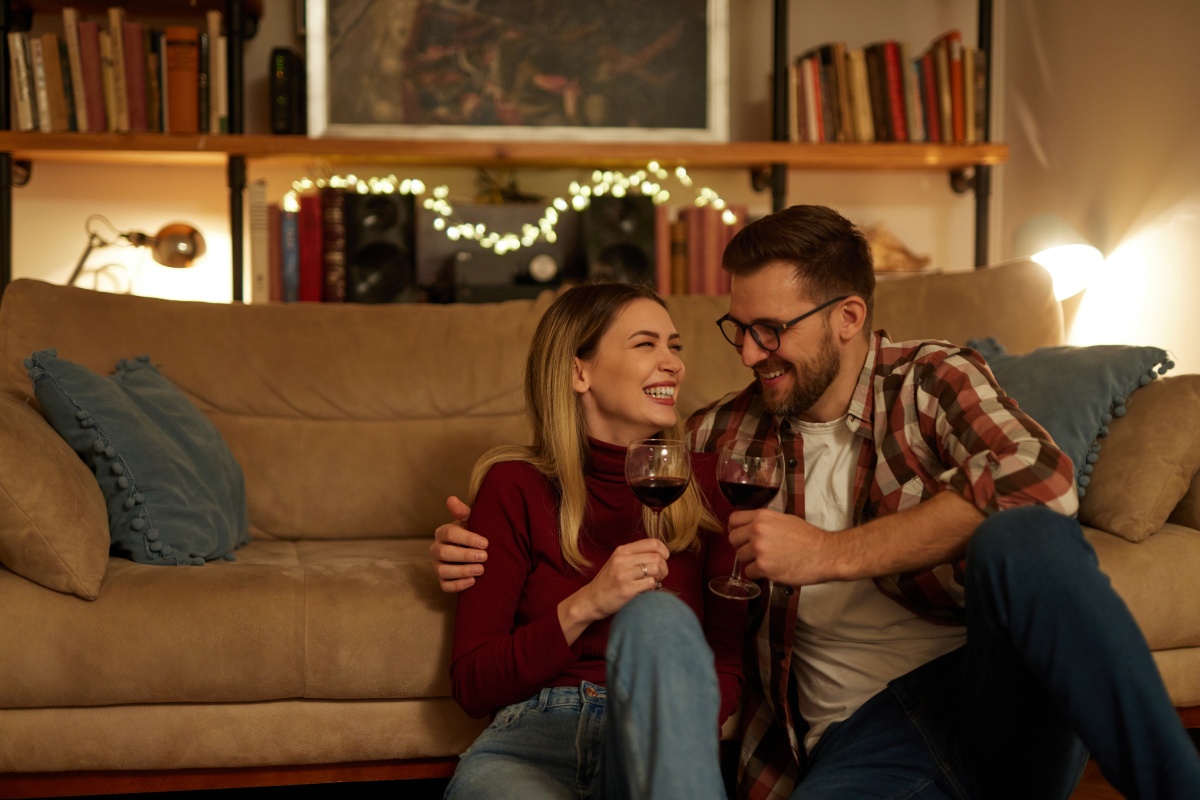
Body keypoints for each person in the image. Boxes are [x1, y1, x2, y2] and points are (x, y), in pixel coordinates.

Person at [434, 206, 1200, 800]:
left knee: (1022, 539)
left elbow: (1045, 484)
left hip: (985, 693)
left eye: (771, 330)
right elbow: (602, 475)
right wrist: (473, 539)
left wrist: (827, 555)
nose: (746, 352)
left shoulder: (931, 380)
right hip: (857, 742)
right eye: (738, 329)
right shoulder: (722, 437)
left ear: (848, 318)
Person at [442, 281, 747, 800]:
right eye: (645, 343)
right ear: (578, 371)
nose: (672, 363)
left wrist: (671, 731)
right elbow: (473, 684)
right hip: (530, 742)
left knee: (658, 618)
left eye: (674, 346)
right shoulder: (514, 484)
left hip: (653, 747)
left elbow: (726, 664)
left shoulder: (707, 485)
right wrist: (587, 603)